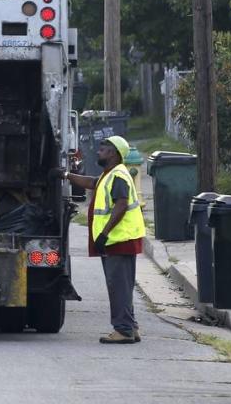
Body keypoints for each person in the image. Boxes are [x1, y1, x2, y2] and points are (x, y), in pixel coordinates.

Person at [57, 135, 146, 344]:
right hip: (119, 240)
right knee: (123, 285)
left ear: (114, 153)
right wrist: (66, 175)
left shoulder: (118, 176)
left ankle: (123, 330)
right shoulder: (110, 175)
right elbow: (91, 183)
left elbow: (121, 205)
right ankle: (130, 327)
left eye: (104, 148)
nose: (99, 150)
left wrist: (104, 233)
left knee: (118, 286)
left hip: (118, 240)